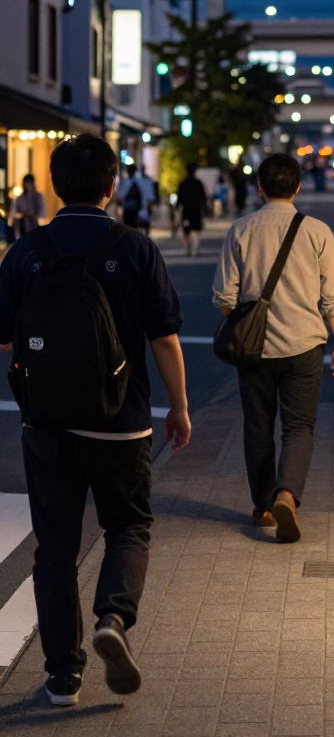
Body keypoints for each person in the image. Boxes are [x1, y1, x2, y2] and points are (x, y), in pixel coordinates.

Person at [0, 134, 191, 709]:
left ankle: (63, 677)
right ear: (112, 186)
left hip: (47, 425)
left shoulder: (27, 250)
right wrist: (179, 405)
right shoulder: (132, 247)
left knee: (54, 549)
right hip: (122, 421)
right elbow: (164, 338)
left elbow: (7, 336)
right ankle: (113, 614)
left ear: (55, 185)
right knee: (128, 527)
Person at [212, 153, 334, 541]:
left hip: (254, 350)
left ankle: (263, 505)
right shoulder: (317, 231)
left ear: (260, 186)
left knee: (257, 427)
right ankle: (287, 491)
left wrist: (244, 319)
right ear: (299, 186)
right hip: (305, 346)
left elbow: (224, 297)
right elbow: (333, 298)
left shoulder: (240, 230)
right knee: (299, 426)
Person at [176, 163, 207, 257]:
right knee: (196, 231)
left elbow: (179, 199)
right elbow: (203, 198)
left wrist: (177, 209)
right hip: (196, 210)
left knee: (186, 231)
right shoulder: (198, 183)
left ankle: (187, 249)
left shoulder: (183, 184)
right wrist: (205, 209)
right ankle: (195, 250)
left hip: (186, 211)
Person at [10, 173, 45, 240]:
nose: (26, 186)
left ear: (32, 184)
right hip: (22, 227)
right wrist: (23, 214)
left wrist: (32, 214)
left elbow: (42, 214)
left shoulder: (38, 197)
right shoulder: (19, 198)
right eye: (25, 183)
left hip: (35, 226)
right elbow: (13, 213)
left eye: (28, 183)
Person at [114, 164, 143, 230]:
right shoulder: (129, 182)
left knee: (131, 226)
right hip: (129, 208)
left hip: (133, 208)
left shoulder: (135, 182)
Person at [137, 166, 157, 237]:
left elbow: (151, 195)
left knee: (144, 224)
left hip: (144, 206)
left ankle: (144, 236)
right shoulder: (139, 180)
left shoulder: (141, 180)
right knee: (143, 224)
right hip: (142, 206)